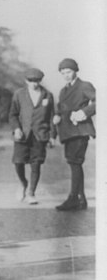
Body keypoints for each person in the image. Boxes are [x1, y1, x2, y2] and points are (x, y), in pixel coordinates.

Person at [7, 68, 55, 205]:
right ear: (26, 81)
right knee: (18, 162)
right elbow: (13, 114)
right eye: (31, 81)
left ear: (40, 81)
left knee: (36, 164)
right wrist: (16, 128)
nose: (34, 83)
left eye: (37, 81)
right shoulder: (19, 94)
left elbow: (52, 116)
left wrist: (52, 135)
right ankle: (23, 183)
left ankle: (31, 193)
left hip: (40, 135)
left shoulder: (47, 95)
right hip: (22, 134)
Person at [52, 58, 95, 211]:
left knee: (75, 163)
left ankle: (73, 198)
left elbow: (100, 100)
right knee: (74, 163)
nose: (66, 75)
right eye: (63, 73)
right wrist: (57, 116)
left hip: (80, 130)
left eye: (69, 72)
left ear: (76, 70)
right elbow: (60, 109)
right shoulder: (63, 91)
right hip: (68, 132)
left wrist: (84, 112)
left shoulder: (84, 86)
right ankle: (81, 198)